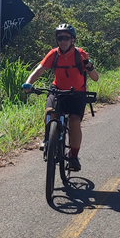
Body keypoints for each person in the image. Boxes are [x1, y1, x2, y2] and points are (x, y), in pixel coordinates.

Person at [21, 24, 99, 172]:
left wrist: (89, 67)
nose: (63, 41)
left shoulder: (80, 54)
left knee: (74, 121)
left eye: (66, 38)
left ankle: (74, 156)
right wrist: (28, 83)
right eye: (60, 38)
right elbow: (39, 70)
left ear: (72, 40)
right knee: (50, 112)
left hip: (77, 93)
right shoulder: (53, 54)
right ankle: (48, 140)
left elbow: (95, 78)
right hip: (57, 90)